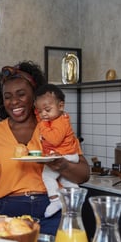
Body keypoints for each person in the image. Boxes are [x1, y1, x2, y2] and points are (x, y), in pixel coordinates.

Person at [0, 61, 90, 235]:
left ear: (35, 96)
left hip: (53, 207)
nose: (14, 102)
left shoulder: (56, 127)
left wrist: (61, 164)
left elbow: (84, 174)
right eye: (8, 96)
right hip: (9, 211)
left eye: (21, 94)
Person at [34, 83, 80, 218]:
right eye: (40, 111)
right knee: (66, 180)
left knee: (47, 176)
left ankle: (55, 200)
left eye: (47, 110)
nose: (43, 114)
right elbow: (41, 115)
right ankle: (73, 196)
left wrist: (41, 125)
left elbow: (54, 140)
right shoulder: (53, 118)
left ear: (61, 106)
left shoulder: (60, 121)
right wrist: (41, 117)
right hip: (68, 154)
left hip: (66, 155)